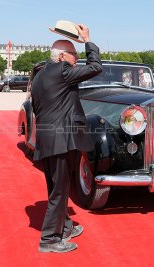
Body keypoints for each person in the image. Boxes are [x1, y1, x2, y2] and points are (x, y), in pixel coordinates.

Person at [31, 23, 102, 253]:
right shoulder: (62, 70)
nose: (77, 58)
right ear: (61, 56)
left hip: (49, 140)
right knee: (59, 191)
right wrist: (87, 41)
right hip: (61, 140)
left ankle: (65, 227)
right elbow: (95, 67)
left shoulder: (41, 75)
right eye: (74, 54)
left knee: (56, 189)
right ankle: (50, 239)